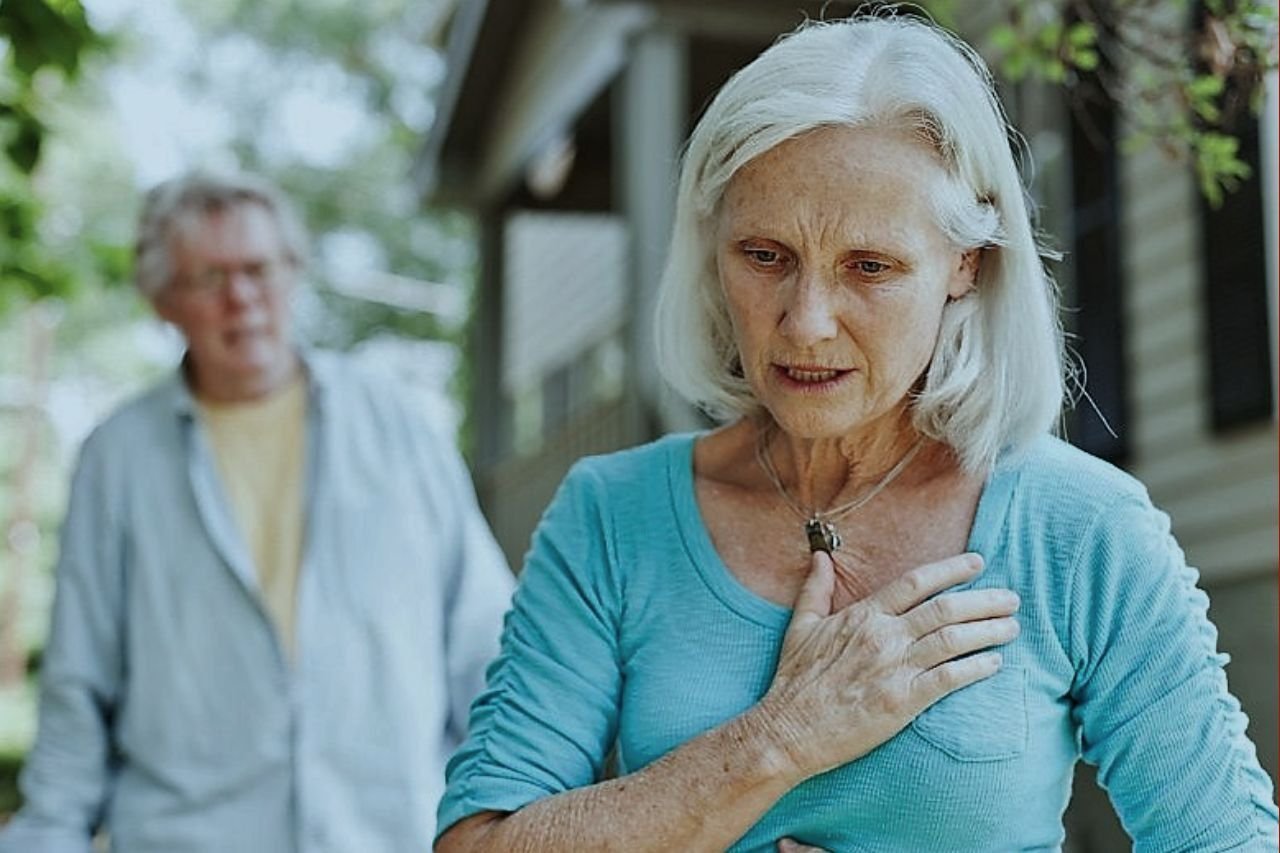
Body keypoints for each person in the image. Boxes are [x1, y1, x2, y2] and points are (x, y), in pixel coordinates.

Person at [433, 12, 1279, 853]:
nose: (805, 324)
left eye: (868, 267)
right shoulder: (612, 517)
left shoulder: (1083, 527)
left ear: (965, 264)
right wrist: (779, 739)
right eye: (764, 255)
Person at [0, 171, 515, 852]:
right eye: (208, 278)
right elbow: (78, 685)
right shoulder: (115, 458)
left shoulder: (400, 427)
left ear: (294, 272)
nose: (240, 297)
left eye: (258, 269)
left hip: (393, 835)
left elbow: (487, 648)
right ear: (163, 301)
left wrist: (505, 816)